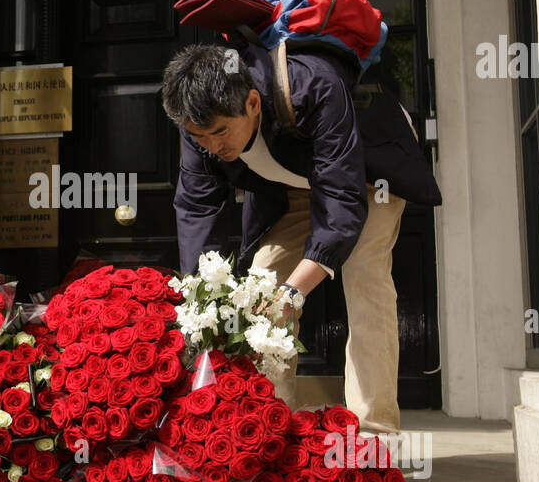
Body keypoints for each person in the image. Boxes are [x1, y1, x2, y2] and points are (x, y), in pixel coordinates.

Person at [162, 41, 438, 432]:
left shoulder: (315, 86)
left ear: (253, 103)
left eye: (220, 132)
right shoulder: (199, 125)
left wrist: (296, 293)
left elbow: (342, 205)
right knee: (262, 282)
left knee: (363, 276)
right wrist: (202, 305)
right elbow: (197, 209)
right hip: (293, 184)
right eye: (199, 137)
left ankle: (374, 433)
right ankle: (268, 427)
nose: (211, 146)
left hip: (365, 175)